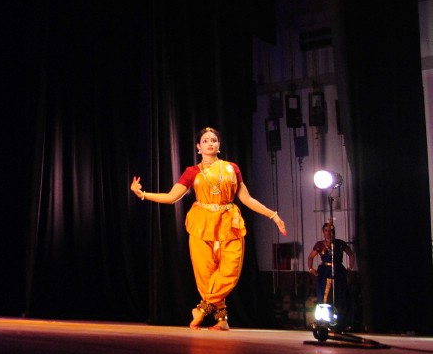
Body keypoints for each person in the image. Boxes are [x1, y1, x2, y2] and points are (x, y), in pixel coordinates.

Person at [130, 127, 287, 330]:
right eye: (205, 141)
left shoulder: (232, 168)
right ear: (198, 147)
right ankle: (222, 320)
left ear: (219, 145)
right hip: (201, 223)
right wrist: (143, 194)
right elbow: (171, 197)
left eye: (214, 140)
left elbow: (246, 199)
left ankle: (202, 309)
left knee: (230, 271)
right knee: (205, 274)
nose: (210, 143)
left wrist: (273, 215)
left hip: (230, 221)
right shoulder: (192, 172)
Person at [307, 221, 356, 317]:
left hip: (338, 271)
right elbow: (310, 257)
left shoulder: (340, 243)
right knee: (324, 295)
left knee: (340, 294)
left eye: (330, 231)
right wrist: (311, 269)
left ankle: (340, 318)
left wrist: (350, 268)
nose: (328, 233)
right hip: (324, 273)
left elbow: (351, 254)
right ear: (323, 232)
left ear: (334, 232)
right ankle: (324, 318)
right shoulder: (320, 244)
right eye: (326, 230)